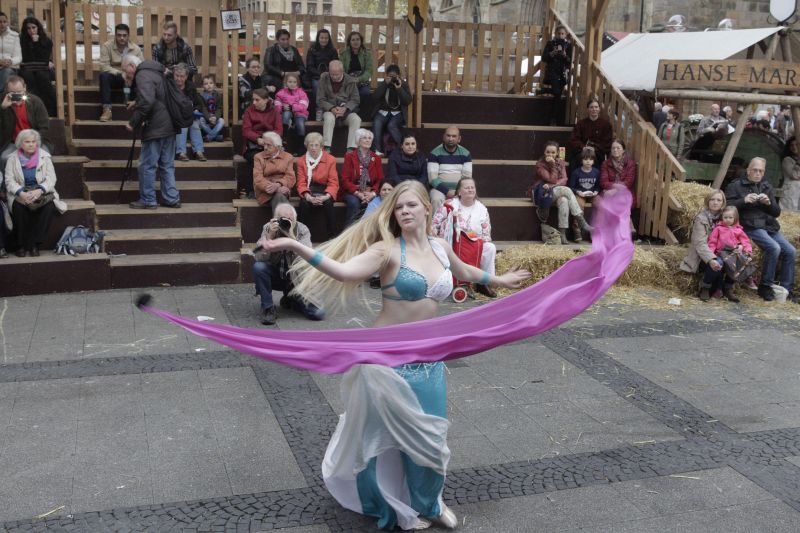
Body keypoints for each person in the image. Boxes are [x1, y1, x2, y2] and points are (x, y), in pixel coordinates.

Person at [259, 180, 529, 531]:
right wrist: (295, 244)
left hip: (428, 360)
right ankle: (384, 499)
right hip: (387, 360)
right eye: (399, 207)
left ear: (427, 209)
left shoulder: (439, 246)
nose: (404, 211)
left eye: (411, 205)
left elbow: (464, 272)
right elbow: (343, 271)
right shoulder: (386, 250)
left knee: (431, 438)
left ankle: (429, 503)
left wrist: (500, 280)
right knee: (381, 438)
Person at [725, 157, 796, 302]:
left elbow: (776, 213)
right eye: (755, 170)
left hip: (769, 225)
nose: (758, 173)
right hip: (750, 225)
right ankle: (765, 286)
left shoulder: (766, 186)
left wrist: (769, 203)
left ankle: (786, 290)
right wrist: (744, 201)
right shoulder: (736, 185)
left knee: (791, 251)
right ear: (748, 170)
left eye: (761, 171)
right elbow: (726, 208)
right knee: (774, 247)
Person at [122, 55, 181, 209]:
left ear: (132, 66)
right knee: (167, 165)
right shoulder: (157, 71)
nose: (125, 75)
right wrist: (137, 102)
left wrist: (133, 122)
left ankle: (148, 199)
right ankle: (171, 198)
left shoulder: (142, 74)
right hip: (170, 123)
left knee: (147, 165)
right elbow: (157, 95)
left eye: (125, 70)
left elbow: (148, 101)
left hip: (156, 126)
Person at [253, 202, 324, 325]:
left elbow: (306, 261)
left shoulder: (302, 230)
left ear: (295, 219)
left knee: (317, 314)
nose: (287, 222)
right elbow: (258, 256)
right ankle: (268, 308)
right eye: (283, 219)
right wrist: (269, 238)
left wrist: (292, 239)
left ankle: (292, 298)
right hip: (276, 275)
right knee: (259, 267)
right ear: (276, 219)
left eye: (290, 219)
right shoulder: (268, 228)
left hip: (296, 279)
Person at [3, 128, 66, 257]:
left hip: (41, 191)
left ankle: (35, 245)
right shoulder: (12, 158)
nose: (31, 144)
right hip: (21, 192)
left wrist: (40, 190)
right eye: (27, 142)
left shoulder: (45, 157)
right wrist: (21, 193)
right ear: (20, 143)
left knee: (48, 207)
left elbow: (51, 178)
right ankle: (21, 245)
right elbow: (9, 180)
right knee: (19, 208)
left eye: (33, 141)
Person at [432, 177, 497, 297]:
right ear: (459, 191)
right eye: (467, 187)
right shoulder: (449, 205)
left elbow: (486, 234)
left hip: (474, 244)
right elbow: (434, 225)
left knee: (490, 247)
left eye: (472, 187)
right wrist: (437, 232)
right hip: (452, 243)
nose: (470, 190)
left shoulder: (481, 209)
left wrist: (475, 244)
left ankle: (483, 283)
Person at [533, 140, 592, 244]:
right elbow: (551, 179)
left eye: (553, 152)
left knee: (564, 200)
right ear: (544, 152)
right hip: (543, 194)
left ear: (557, 153)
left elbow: (564, 179)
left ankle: (563, 233)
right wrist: (552, 165)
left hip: (555, 191)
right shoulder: (540, 165)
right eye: (548, 152)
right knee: (567, 190)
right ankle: (581, 221)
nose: (550, 154)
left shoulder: (560, 162)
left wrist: (552, 186)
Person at [679, 190, 728, 299]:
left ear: (723, 203)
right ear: (707, 201)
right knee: (718, 262)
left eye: (719, 200)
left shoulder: (726, 217)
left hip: (720, 250)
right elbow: (700, 243)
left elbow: (735, 232)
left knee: (733, 259)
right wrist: (711, 259)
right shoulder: (701, 218)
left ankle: (727, 288)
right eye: (712, 199)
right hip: (703, 254)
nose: (715, 202)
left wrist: (739, 246)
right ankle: (705, 287)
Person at [0, 75, 51, 169]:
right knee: (4, 158)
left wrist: (32, 142)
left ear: (25, 88)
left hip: (34, 141)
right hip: (12, 142)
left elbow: (44, 126)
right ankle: (7, 179)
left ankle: (41, 179)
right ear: (7, 90)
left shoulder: (35, 101)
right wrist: (2, 108)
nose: (16, 95)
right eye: (12, 92)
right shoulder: (2, 101)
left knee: (45, 156)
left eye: (19, 92)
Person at [705, 205, 752, 303]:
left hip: (733, 254)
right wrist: (711, 254)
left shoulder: (739, 230)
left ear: (735, 218)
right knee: (719, 266)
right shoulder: (718, 229)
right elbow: (712, 242)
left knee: (737, 265)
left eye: (730, 217)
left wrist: (748, 251)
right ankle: (718, 289)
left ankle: (729, 288)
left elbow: (745, 242)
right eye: (725, 217)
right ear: (722, 217)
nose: (728, 220)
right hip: (720, 253)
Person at [296, 131, 339, 239]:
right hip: (308, 190)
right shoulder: (301, 161)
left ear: (321, 146)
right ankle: (302, 236)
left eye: (316, 145)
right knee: (304, 204)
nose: (313, 148)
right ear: (306, 146)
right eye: (311, 145)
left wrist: (326, 196)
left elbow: (333, 182)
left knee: (329, 204)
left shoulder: (330, 159)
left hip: (325, 191)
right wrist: (308, 197)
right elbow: (301, 182)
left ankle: (332, 236)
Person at [241, 88, 283, 197]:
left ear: (265, 100)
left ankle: (276, 188)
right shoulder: (249, 111)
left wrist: (268, 140)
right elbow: (246, 130)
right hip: (254, 144)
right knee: (256, 159)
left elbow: (279, 130)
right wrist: (258, 139)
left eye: (257, 100)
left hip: (271, 142)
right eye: (253, 99)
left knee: (280, 159)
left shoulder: (275, 111)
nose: (254, 102)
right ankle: (252, 190)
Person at [98, 23, 143, 122]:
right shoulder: (107, 46)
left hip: (131, 79)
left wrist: (130, 74)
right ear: (115, 35)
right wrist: (119, 73)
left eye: (124, 35)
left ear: (128, 36)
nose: (122, 38)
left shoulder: (136, 49)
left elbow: (141, 67)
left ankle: (139, 108)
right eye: (119, 35)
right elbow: (103, 66)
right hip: (115, 77)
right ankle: (107, 110)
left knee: (141, 76)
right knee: (103, 76)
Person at [340, 128, 382, 227]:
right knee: (354, 203)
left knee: (375, 203)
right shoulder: (350, 156)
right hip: (352, 191)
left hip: (369, 191)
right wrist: (358, 193)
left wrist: (372, 193)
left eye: (370, 138)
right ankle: (349, 232)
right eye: (364, 138)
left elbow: (380, 179)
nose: (368, 140)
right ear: (358, 141)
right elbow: (345, 180)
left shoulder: (376, 158)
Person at [317, 60, 361, 152]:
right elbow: (320, 100)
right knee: (329, 118)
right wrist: (331, 108)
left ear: (342, 72)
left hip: (346, 112)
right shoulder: (323, 80)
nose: (334, 77)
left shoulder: (350, 81)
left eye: (336, 74)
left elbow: (355, 99)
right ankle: (326, 148)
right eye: (332, 74)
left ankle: (351, 149)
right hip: (329, 111)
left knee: (356, 119)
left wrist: (345, 108)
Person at [427, 126, 472, 212]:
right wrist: (447, 191)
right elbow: (432, 179)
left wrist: (458, 191)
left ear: (459, 139)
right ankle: (437, 221)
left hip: (459, 189)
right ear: (444, 137)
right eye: (448, 136)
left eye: (454, 136)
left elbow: (467, 178)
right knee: (436, 199)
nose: (451, 139)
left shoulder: (466, 154)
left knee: (469, 197)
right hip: (439, 190)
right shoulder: (434, 153)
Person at [371, 64, 412, 156]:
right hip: (383, 112)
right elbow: (375, 97)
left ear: (399, 76)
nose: (392, 79)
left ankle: (404, 147)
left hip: (398, 113)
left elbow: (408, 101)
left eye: (394, 76)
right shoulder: (383, 83)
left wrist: (399, 89)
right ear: (386, 75)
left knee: (391, 125)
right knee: (377, 123)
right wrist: (385, 84)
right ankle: (377, 150)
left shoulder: (403, 84)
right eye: (390, 76)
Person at [18, 17, 55, 116]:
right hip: (27, 68)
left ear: (38, 27)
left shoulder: (46, 41)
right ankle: (32, 109)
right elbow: (26, 58)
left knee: (42, 77)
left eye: (33, 27)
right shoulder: (22, 40)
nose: (31, 30)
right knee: (28, 77)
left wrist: (36, 43)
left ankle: (48, 110)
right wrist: (31, 44)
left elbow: (44, 59)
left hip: (42, 68)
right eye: (28, 28)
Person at [253, 131, 295, 212]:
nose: (265, 147)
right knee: (279, 196)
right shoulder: (258, 157)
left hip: (283, 188)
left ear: (278, 146)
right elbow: (258, 178)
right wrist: (275, 188)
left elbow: (290, 177)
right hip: (265, 191)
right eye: (264, 144)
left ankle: (280, 219)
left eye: (269, 145)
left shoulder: (288, 157)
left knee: (279, 196)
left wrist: (279, 184)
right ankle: (286, 219)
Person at [172, 63, 205, 162]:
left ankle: (198, 152)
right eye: (177, 76)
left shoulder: (191, 87)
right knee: (182, 126)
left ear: (186, 77)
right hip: (176, 118)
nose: (179, 79)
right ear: (173, 75)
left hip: (190, 116)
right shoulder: (170, 86)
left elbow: (199, 104)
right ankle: (181, 153)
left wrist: (196, 109)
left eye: (182, 76)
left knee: (195, 125)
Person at [540, 25, 571, 125]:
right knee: (557, 92)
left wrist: (565, 55)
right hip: (552, 71)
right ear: (555, 34)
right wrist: (552, 53)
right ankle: (553, 119)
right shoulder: (550, 43)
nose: (560, 35)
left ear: (566, 35)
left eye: (562, 33)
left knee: (557, 96)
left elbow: (570, 61)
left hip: (562, 73)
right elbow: (544, 58)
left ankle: (553, 118)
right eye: (559, 33)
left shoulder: (568, 45)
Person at [305, 29, 338, 120]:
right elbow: (309, 66)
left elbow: (335, 64)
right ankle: (319, 109)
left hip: (331, 76)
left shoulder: (332, 50)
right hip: (316, 76)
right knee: (317, 86)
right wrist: (320, 74)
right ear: (318, 38)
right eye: (322, 38)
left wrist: (329, 74)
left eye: (326, 38)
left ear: (329, 39)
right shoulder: (312, 50)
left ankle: (329, 109)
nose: (324, 40)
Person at [569, 99, 613, 165]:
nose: (594, 109)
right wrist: (583, 147)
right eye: (591, 107)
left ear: (599, 109)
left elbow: (607, 142)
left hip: (598, 152)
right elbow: (574, 139)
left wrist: (594, 149)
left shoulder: (606, 125)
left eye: (596, 107)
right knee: (575, 159)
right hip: (582, 151)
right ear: (588, 109)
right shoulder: (581, 124)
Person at [339, 31, 372, 112]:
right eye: (353, 40)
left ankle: (362, 113)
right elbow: (341, 70)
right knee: (345, 94)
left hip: (362, 81)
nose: (355, 42)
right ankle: (351, 112)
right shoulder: (344, 53)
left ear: (361, 41)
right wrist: (349, 79)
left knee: (365, 93)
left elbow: (369, 71)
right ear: (349, 42)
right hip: (348, 81)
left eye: (357, 39)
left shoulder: (367, 53)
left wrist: (358, 79)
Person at [275, 73, 309, 148]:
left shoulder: (301, 93)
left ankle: (300, 145)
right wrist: (282, 108)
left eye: (294, 82)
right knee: (286, 114)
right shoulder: (281, 92)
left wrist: (292, 107)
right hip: (286, 112)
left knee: (300, 125)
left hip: (300, 113)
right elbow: (277, 104)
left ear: (297, 83)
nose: (292, 84)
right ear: (286, 82)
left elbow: (304, 105)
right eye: (290, 82)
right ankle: (284, 136)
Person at [568, 146, 600, 224]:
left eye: (590, 159)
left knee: (600, 203)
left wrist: (596, 191)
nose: (588, 161)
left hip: (592, 194)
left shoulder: (596, 172)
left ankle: (598, 225)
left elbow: (598, 186)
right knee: (578, 205)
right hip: (580, 194)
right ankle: (577, 226)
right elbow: (571, 187)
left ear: (593, 161)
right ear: (581, 160)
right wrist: (577, 192)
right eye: (585, 159)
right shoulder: (576, 172)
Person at [600, 139, 637, 205]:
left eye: (618, 148)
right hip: (609, 191)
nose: (615, 150)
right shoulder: (605, 164)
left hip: (625, 193)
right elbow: (603, 182)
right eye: (613, 148)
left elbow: (628, 182)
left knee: (620, 201)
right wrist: (615, 186)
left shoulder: (630, 164)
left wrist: (615, 191)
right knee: (603, 202)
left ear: (623, 150)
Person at [197, 73, 224, 142]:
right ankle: (216, 137)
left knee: (221, 121)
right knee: (201, 120)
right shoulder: (201, 96)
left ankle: (209, 137)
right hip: (206, 117)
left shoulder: (218, 95)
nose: (209, 85)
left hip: (215, 117)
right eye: (206, 84)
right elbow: (203, 108)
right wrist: (209, 118)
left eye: (211, 83)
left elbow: (219, 108)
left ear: (214, 85)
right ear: (203, 86)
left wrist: (215, 117)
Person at [0, 12, 21, 91]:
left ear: (7, 23)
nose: (2, 24)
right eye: (0, 22)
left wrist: (10, 61)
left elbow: (18, 57)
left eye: (4, 22)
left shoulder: (14, 36)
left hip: (10, 67)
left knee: (6, 72)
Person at [779, 136, 800, 212]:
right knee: (788, 213)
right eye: (792, 145)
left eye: (796, 145)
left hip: (798, 192)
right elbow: (794, 176)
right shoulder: (787, 160)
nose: (794, 147)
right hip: (790, 191)